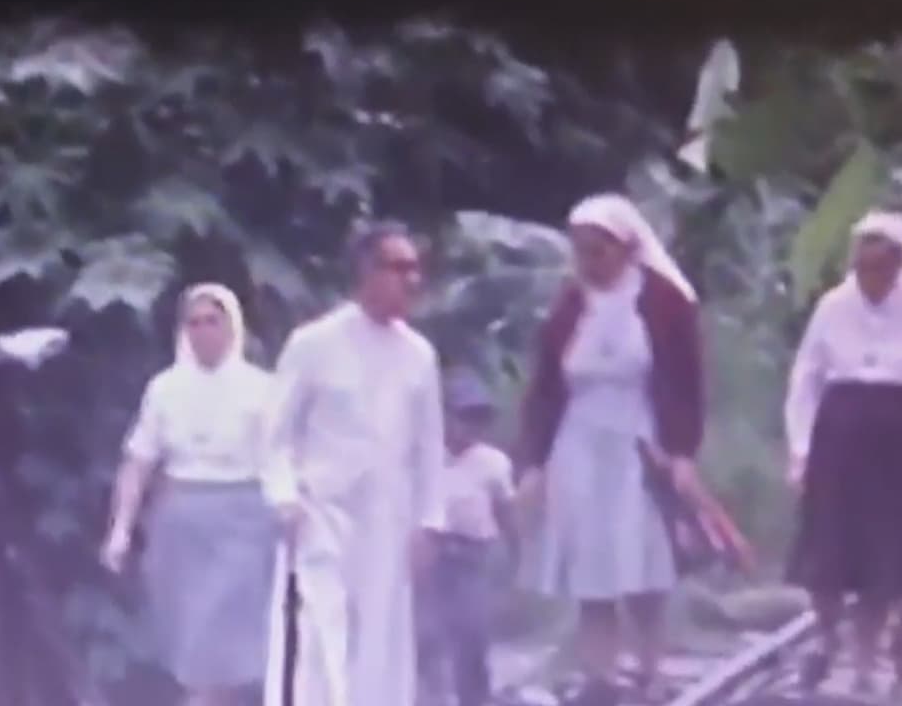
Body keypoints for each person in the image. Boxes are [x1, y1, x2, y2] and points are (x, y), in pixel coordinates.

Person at [517, 193, 704, 706]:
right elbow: (546, 388)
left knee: (643, 560)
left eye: (598, 251)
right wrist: (534, 462)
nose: (588, 262)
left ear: (626, 248)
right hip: (578, 441)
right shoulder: (569, 306)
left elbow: (686, 383)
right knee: (590, 565)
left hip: (639, 441)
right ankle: (599, 675)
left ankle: (650, 671)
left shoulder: (663, 303)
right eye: (581, 251)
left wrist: (682, 452)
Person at [785, 211, 902, 703]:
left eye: (880, 269)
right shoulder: (833, 306)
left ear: (899, 264)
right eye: (863, 267)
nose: (871, 279)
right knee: (828, 555)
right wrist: (801, 448)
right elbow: (805, 380)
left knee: (884, 558)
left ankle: (869, 664)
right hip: (839, 437)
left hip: (900, 440)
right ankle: (827, 637)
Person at [260, 220, 445, 706]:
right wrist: (284, 497)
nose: (412, 280)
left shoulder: (419, 356)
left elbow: (428, 447)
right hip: (320, 515)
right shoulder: (313, 344)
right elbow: (276, 435)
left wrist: (430, 522)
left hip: (387, 520)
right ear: (367, 270)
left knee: (381, 637)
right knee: (320, 631)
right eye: (399, 268)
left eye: (415, 268)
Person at [100, 283, 278, 706]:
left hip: (244, 523)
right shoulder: (164, 389)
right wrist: (120, 530)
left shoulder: (263, 389)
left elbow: (282, 462)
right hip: (180, 526)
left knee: (224, 633)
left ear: (232, 327)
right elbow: (138, 461)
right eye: (193, 323)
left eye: (212, 321)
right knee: (191, 636)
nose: (203, 331)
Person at [416, 368, 518, 706]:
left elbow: (505, 511)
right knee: (426, 631)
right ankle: (428, 695)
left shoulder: (493, 463)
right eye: (464, 417)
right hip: (432, 551)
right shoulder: (425, 457)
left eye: (478, 418)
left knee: (471, 630)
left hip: (472, 554)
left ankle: (475, 697)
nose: (471, 427)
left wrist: (516, 551)